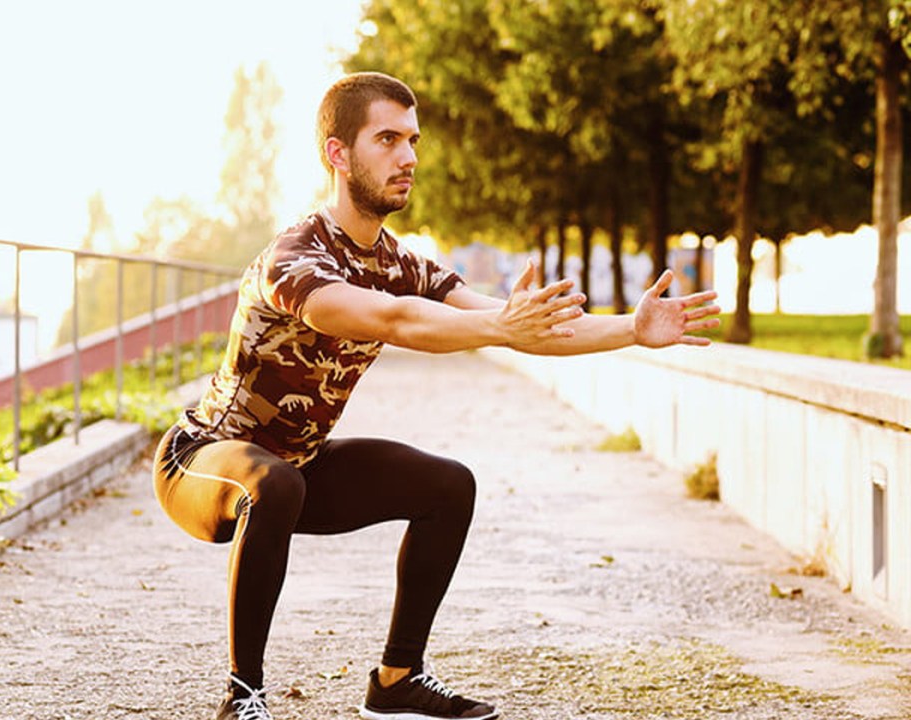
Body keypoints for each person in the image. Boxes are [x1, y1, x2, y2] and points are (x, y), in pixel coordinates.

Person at [152, 71, 720, 720]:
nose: (410, 157)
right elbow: (397, 322)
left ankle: (397, 681)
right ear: (337, 154)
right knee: (273, 484)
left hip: (300, 466)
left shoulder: (402, 262)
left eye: (414, 140)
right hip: (203, 463)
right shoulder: (296, 259)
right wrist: (499, 324)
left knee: (447, 486)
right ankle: (243, 698)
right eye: (387, 139)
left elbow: (515, 323)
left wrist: (632, 330)